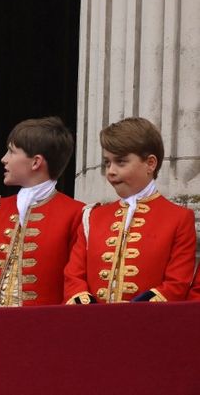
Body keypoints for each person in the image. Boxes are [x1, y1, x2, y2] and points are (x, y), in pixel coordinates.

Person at [64, 117, 196, 304]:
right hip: (92, 325)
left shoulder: (179, 218)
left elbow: (177, 283)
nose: (111, 171)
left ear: (150, 163)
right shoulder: (93, 217)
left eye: (121, 162)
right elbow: (74, 275)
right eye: (107, 163)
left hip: (148, 326)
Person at [0, 117, 84, 307]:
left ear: (36, 163)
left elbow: (73, 285)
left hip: (43, 331)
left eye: (11, 151)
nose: (4, 159)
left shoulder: (76, 214)